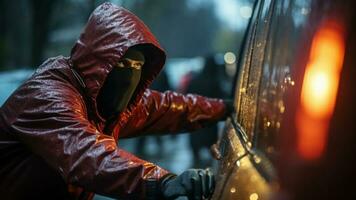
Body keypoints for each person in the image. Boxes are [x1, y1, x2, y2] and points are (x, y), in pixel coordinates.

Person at [0, 3, 232, 200]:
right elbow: (87, 154)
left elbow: (164, 107)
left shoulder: (101, 101)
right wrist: (162, 181)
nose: (129, 75)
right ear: (100, 62)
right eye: (122, 65)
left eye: (137, 67)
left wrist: (225, 107)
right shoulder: (48, 96)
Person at [185, 54, 228, 168]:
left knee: (196, 151)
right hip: (210, 122)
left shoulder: (195, 80)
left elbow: (186, 97)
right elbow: (221, 100)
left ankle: (196, 166)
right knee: (210, 152)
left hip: (195, 119)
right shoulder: (216, 82)